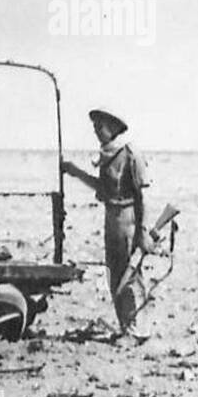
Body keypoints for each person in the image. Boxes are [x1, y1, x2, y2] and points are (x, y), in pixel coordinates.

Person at [61, 109, 152, 345]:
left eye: (99, 126)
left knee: (128, 274)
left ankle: (136, 331)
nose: (96, 131)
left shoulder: (130, 154)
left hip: (127, 218)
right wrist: (75, 172)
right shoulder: (108, 155)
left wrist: (142, 231)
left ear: (113, 127)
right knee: (114, 274)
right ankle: (126, 327)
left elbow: (142, 196)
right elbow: (102, 187)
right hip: (111, 217)